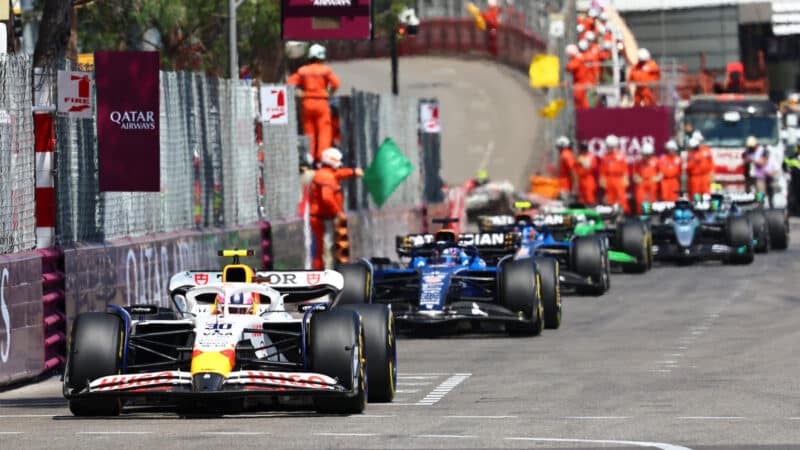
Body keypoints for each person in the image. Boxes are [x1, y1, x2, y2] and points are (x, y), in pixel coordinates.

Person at [309, 147, 363, 269]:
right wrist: (338, 213)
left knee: (325, 249)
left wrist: (353, 172)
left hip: (322, 218)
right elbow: (327, 198)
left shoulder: (325, 173)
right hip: (320, 220)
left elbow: (338, 174)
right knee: (323, 250)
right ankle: (323, 276)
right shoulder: (326, 177)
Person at [287, 44, 341, 163]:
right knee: (324, 130)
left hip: (307, 103)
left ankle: (309, 157)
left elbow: (289, 83)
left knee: (309, 131)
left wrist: (299, 93)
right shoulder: (325, 70)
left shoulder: (303, 71)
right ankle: (322, 157)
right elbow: (336, 83)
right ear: (321, 57)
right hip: (321, 102)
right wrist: (329, 93)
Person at [599, 134, 631, 214]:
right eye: (608, 146)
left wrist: (625, 178)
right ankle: (612, 215)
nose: (609, 148)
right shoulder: (605, 157)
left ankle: (622, 214)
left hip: (619, 179)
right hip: (609, 179)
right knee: (610, 198)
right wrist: (602, 180)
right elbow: (602, 171)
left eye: (610, 146)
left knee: (621, 198)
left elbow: (625, 170)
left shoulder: (621, 156)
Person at [633, 142, 661, 213]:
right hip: (642, 182)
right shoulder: (638, 161)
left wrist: (657, 178)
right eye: (644, 155)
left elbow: (661, 173)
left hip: (652, 182)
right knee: (640, 199)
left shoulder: (656, 161)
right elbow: (635, 172)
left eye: (648, 155)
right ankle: (641, 215)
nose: (646, 157)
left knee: (651, 200)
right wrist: (636, 178)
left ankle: (648, 214)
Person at [566, 43, 595, 110]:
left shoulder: (577, 59)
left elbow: (569, 67)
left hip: (580, 84)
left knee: (579, 103)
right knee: (584, 103)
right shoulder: (581, 57)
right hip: (584, 83)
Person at [575, 140, 599, 205]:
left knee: (589, 198)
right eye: (582, 148)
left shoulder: (591, 156)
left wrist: (583, 161)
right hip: (581, 180)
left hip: (588, 179)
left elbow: (591, 168)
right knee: (581, 199)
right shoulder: (580, 156)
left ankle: (591, 212)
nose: (583, 150)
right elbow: (576, 168)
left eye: (584, 148)